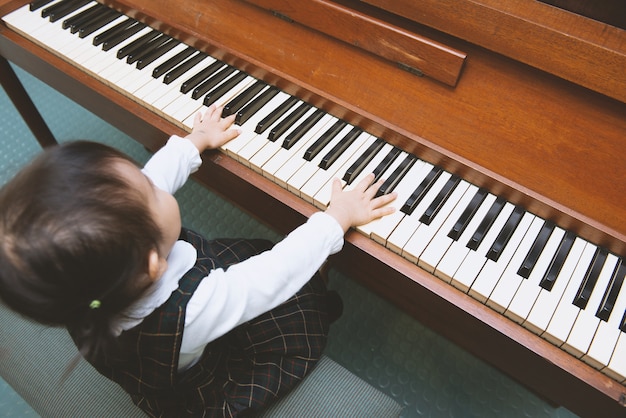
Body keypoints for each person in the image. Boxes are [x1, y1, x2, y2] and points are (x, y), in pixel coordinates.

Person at [0, 104, 397, 417]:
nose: (153, 181)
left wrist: (193, 143)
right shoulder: (190, 313)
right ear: (153, 265)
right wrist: (337, 217)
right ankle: (319, 294)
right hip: (215, 371)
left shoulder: (85, 286)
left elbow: (144, 187)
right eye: (152, 192)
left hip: (161, 343)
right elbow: (275, 272)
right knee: (295, 297)